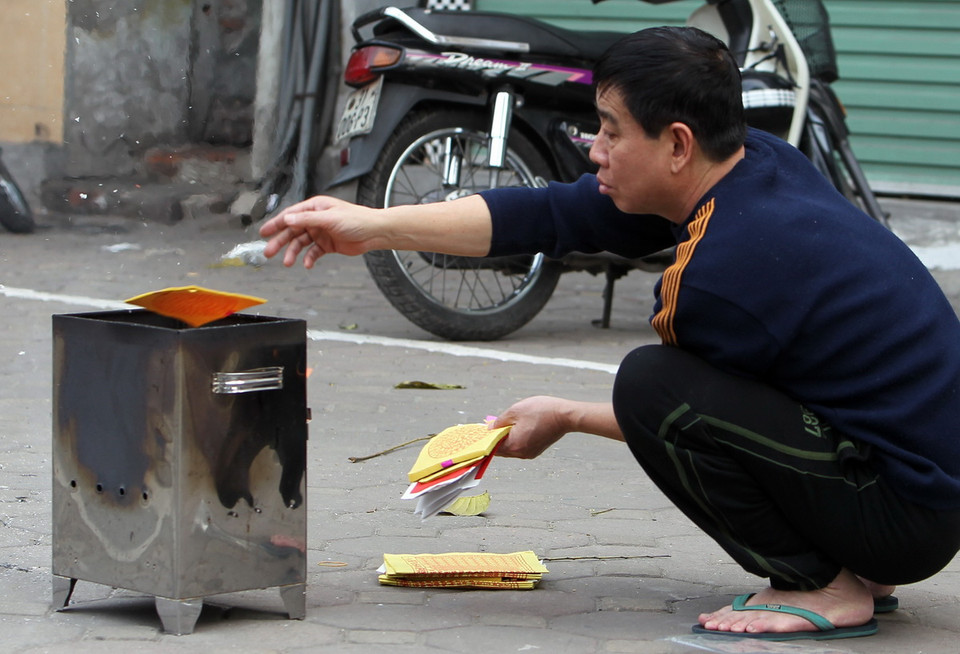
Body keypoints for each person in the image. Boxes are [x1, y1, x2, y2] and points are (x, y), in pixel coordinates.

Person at [260, 26, 960, 641]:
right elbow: (552, 216)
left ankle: (824, 587)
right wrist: (372, 227)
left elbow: (686, 420)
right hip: (917, 491)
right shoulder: (760, 164)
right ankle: (854, 569)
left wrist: (566, 416)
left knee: (651, 382)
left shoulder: (718, 275)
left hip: (905, 515)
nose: (595, 148)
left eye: (612, 130)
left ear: (678, 144)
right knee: (662, 387)